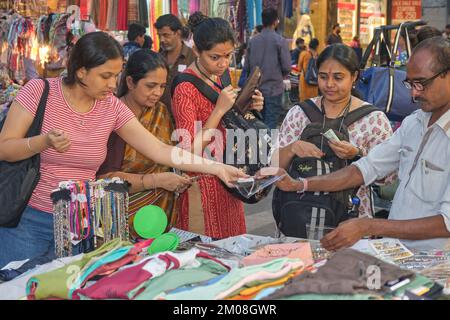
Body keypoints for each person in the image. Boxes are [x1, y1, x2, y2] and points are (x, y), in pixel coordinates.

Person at [0, 31, 247, 269]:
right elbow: (4, 147)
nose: (112, 84)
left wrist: (219, 168)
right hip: (29, 218)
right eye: (105, 75)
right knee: (15, 285)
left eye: (116, 75)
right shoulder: (39, 91)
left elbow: (160, 150)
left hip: (79, 224)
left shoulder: (111, 107)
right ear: (81, 71)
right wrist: (43, 142)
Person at [272, 37, 450, 251]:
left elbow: (446, 224)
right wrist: (301, 185)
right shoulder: (414, 122)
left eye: (421, 83)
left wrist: (367, 225)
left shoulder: (373, 118)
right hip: (398, 252)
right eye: (410, 84)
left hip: (438, 261)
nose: (414, 93)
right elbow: (365, 168)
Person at [272, 43, 395, 218]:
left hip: (352, 222)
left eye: (338, 78)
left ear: (354, 77)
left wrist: (358, 154)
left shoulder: (373, 119)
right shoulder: (299, 113)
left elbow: (388, 178)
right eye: (323, 77)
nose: (329, 84)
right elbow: (273, 167)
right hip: (298, 216)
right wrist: (292, 148)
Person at [171, 17, 264, 239]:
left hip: (228, 179)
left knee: (233, 250)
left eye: (228, 56)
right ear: (196, 50)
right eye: (215, 57)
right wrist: (219, 110)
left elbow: (229, 121)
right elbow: (189, 151)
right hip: (202, 185)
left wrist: (249, 106)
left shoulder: (218, 76)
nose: (223, 63)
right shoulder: (184, 86)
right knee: (206, 256)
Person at [97, 50, 189, 230]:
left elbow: (167, 155)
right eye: (151, 86)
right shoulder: (114, 118)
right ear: (130, 82)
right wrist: (157, 180)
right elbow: (104, 179)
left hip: (159, 216)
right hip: (121, 219)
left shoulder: (161, 111)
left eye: (162, 86)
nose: (157, 93)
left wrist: (176, 177)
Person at [245, 8, 291, 129]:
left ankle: (258, 147)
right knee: (270, 123)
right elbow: (287, 67)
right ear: (276, 22)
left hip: (256, 89)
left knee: (256, 123)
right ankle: (268, 148)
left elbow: (247, 67)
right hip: (273, 89)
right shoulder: (280, 41)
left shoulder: (253, 41)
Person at [154, 14, 196, 112]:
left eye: (166, 35)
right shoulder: (157, 58)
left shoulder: (193, 57)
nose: (162, 40)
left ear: (178, 33)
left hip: (185, 116)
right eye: (159, 36)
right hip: (161, 117)